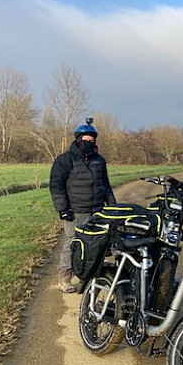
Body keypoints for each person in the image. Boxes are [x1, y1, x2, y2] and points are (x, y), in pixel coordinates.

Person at [49, 118, 116, 292]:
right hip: (75, 211)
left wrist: (112, 205)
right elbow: (56, 186)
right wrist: (63, 209)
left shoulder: (99, 161)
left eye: (92, 140)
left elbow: (105, 185)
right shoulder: (65, 160)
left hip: (97, 211)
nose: (89, 143)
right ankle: (65, 278)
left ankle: (93, 277)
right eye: (85, 140)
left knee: (98, 245)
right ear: (78, 140)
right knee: (72, 243)